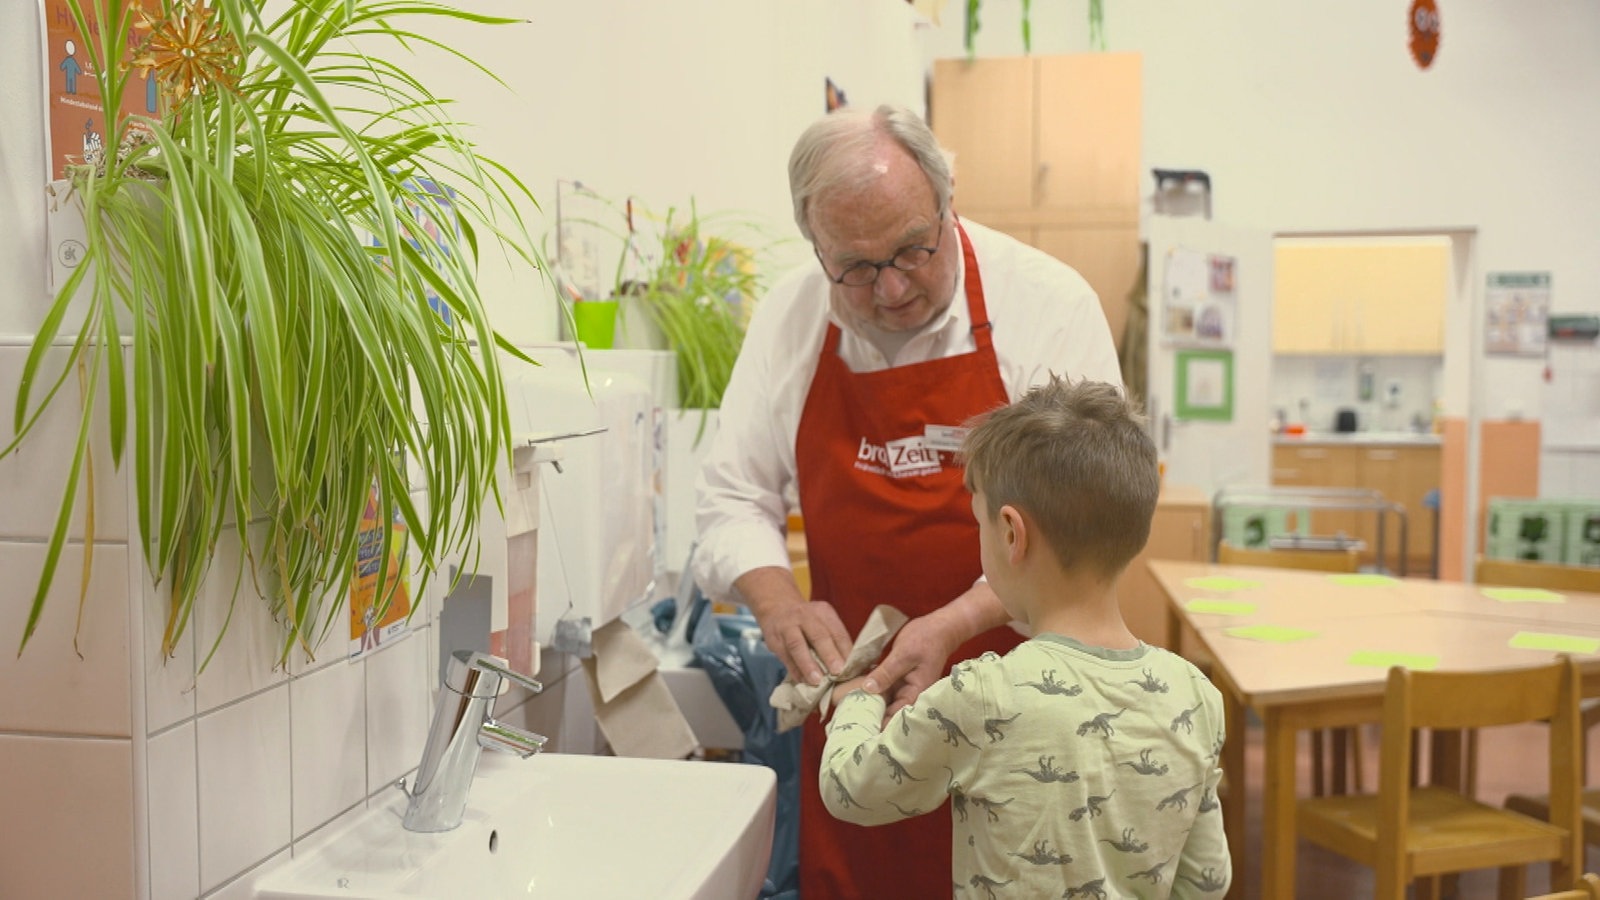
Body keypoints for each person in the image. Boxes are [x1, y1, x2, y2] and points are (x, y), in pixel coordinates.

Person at [693, 103, 1123, 898]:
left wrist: (954, 625)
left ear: (947, 198)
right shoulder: (791, 320)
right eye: (854, 267)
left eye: (912, 251)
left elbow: (1088, 525)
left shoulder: (1048, 305)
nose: (891, 288)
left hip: (1026, 715)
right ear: (815, 246)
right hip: (864, 726)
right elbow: (729, 497)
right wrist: (778, 601)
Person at [820, 377, 1230, 898]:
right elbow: (1206, 882)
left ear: (1012, 534)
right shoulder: (1195, 697)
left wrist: (859, 701)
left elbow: (851, 790)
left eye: (979, 525)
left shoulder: (984, 696)